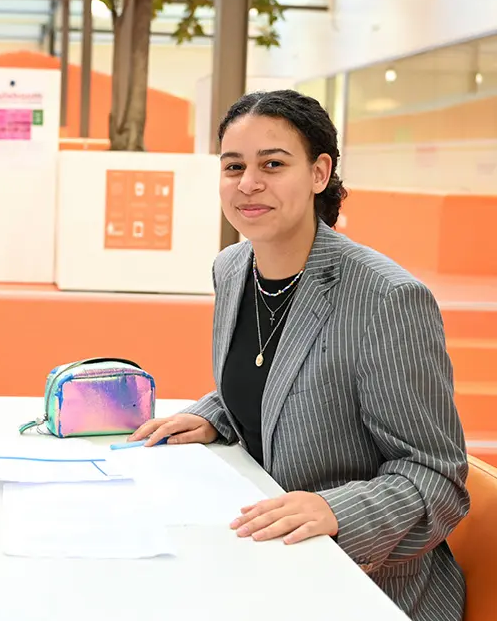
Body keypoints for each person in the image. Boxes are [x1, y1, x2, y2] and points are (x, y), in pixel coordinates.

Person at [129, 89, 469, 621]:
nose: (248, 183)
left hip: (364, 582)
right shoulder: (233, 268)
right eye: (233, 165)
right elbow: (276, 372)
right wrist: (214, 414)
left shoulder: (386, 298)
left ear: (318, 173)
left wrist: (336, 510)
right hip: (258, 555)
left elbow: (435, 476)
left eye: (273, 164)